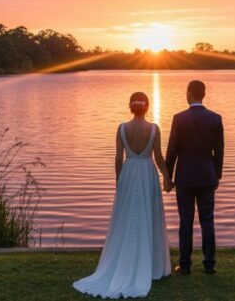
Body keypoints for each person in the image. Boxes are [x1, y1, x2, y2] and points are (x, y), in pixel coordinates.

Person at [73, 92, 173, 298]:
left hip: (128, 172)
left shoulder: (121, 128)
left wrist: (119, 180)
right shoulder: (154, 128)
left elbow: (118, 157)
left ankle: (127, 262)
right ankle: (152, 266)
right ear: (147, 107)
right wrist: (167, 177)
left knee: (126, 217)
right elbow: (159, 157)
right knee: (148, 215)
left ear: (131, 106)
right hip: (147, 173)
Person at [166, 80, 225, 275]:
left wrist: (167, 176)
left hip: (185, 178)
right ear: (204, 94)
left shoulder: (179, 118)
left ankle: (185, 265)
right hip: (207, 178)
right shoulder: (215, 119)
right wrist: (217, 175)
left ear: (189, 94)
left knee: (186, 222)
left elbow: (172, 149)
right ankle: (209, 265)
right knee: (207, 220)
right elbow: (219, 151)